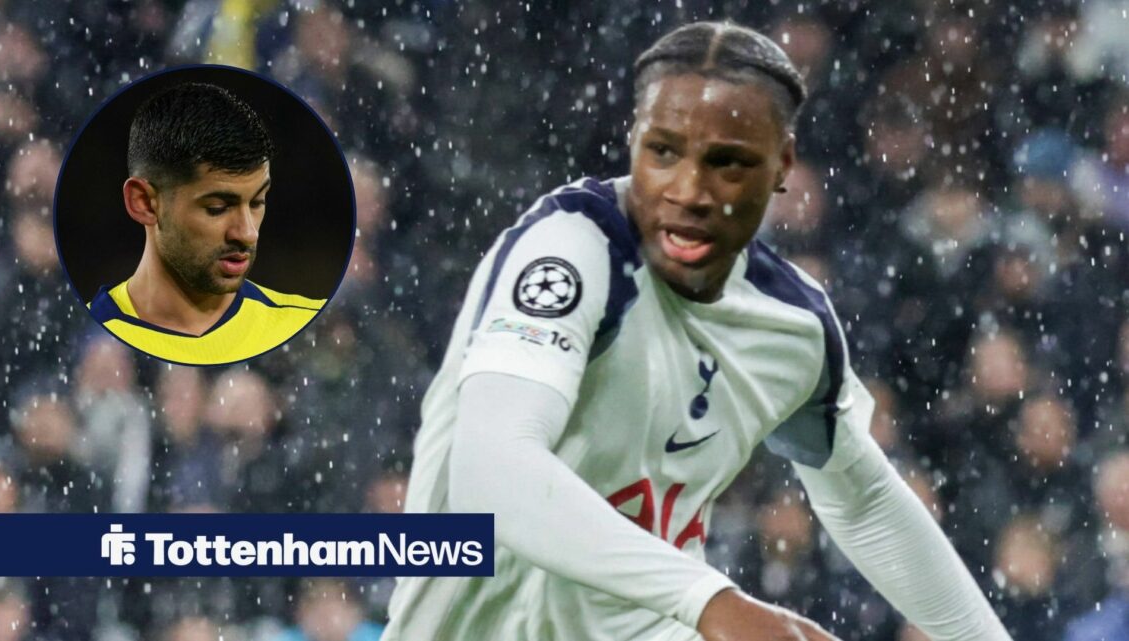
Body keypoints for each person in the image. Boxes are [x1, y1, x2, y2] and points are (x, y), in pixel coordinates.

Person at [383, 21, 1011, 641]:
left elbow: (865, 500)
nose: (689, 190)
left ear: (782, 165)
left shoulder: (793, 325)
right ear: (633, 142)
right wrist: (713, 602)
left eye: (727, 163)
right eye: (663, 151)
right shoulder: (572, 248)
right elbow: (492, 472)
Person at [87, 82, 325, 365]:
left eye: (257, 202)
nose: (248, 233)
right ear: (145, 203)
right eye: (217, 208)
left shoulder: (307, 325)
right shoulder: (94, 348)